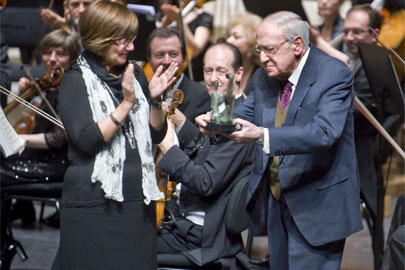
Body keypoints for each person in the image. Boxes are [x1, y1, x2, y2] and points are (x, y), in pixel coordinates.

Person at [197, 11, 363, 269]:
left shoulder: (334, 75)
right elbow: (244, 113)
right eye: (259, 48)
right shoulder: (266, 76)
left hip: (317, 205)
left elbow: (324, 132)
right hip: (276, 200)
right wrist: (215, 123)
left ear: (297, 44)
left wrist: (262, 135)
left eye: (270, 49)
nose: (262, 58)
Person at [57, 1, 178, 269]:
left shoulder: (135, 75)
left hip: (137, 205)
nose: (131, 48)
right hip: (93, 205)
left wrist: (155, 101)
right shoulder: (75, 81)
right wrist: (126, 104)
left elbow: (155, 134)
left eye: (132, 40)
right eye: (123, 41)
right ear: (101, 39)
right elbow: (86, 141)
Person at [156, 42, 252, 269]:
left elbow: (205, 181)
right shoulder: (220, 111)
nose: (213, 78)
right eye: (208, 71)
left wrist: (169, 149)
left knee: (121, 247)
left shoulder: (238, 121)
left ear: (239, 74)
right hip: (184, 224)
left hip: (201, 235)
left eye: (221, 71)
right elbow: (202, 154)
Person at [0, 28, 80, 268]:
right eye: (48, 52)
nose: (52, 58)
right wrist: (29, 93)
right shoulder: (46, 85)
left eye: (61, 53)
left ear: (73, 58)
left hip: (57, 164)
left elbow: (59, 138)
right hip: (37, 159)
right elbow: (16, 118)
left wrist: (22, 140)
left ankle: (3, 245)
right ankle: (4, 242)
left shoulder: (72, 89)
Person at [310, 4, 383, 219]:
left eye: (357, 32)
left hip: (362, 153)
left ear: (374, 35)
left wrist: (319, 42)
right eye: (346, 31)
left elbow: (345, 109)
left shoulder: (378, 66)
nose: (349, 38)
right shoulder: (354, 60)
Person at [146, 27, 210, 148]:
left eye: (173, 54)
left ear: (184, 58)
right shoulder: (141, 91)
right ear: (149, 59)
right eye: (159, 55)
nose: (167, 61)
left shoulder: (201, 95)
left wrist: (180, 121)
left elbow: (203, 146)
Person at [156, 0, 213, 81]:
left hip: (192, 74)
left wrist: (180, 21)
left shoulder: (204, 17)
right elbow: (153, 43)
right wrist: (164, 24)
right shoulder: (164, 13)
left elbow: (196, 50)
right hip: (164, 70)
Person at [226, 12, 262, 97]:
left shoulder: (261, 75)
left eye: (236, 36)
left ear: (252, 42)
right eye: (229, 35)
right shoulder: (225, 70)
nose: (228, 40)